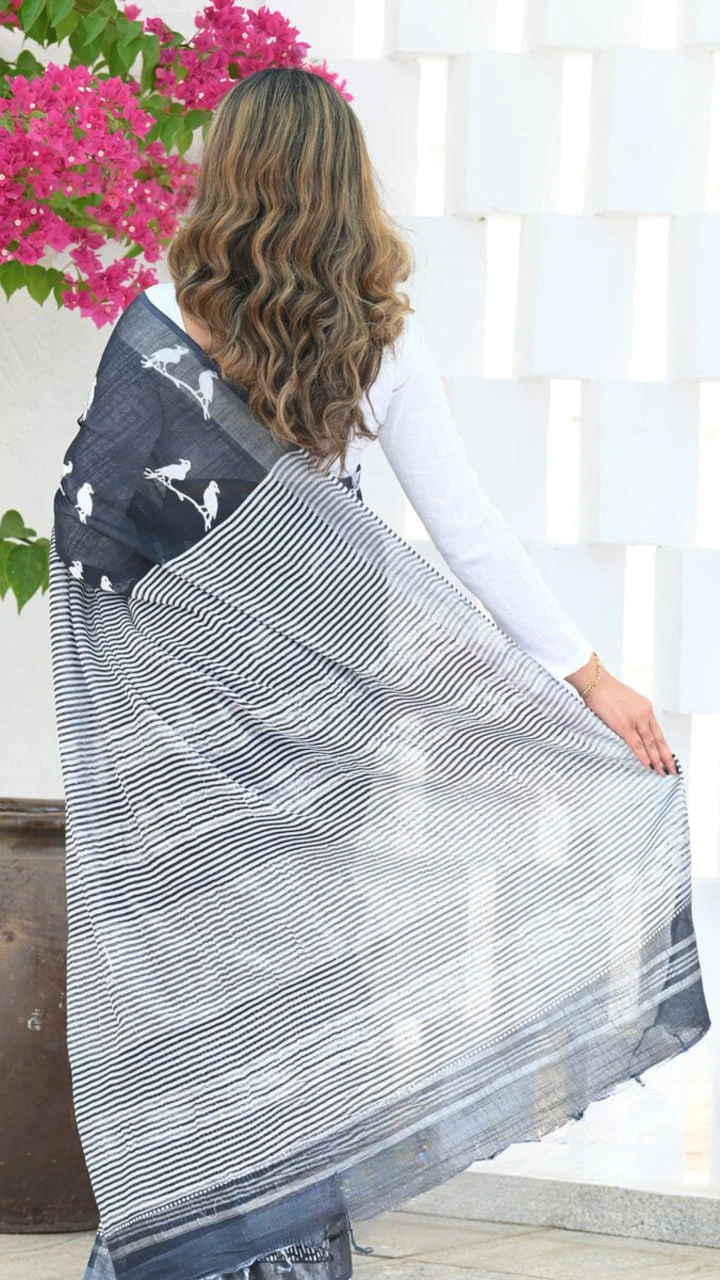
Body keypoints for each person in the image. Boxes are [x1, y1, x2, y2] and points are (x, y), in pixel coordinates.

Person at [48, 67, 709, 1280]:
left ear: (227, 176)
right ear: (344, 185)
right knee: (302, 993)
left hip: (183, 735)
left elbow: (95, 540)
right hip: (319, 717)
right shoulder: (376, 339)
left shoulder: (153, 324)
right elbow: (468, 533)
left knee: (194, 999)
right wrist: (589, 676)